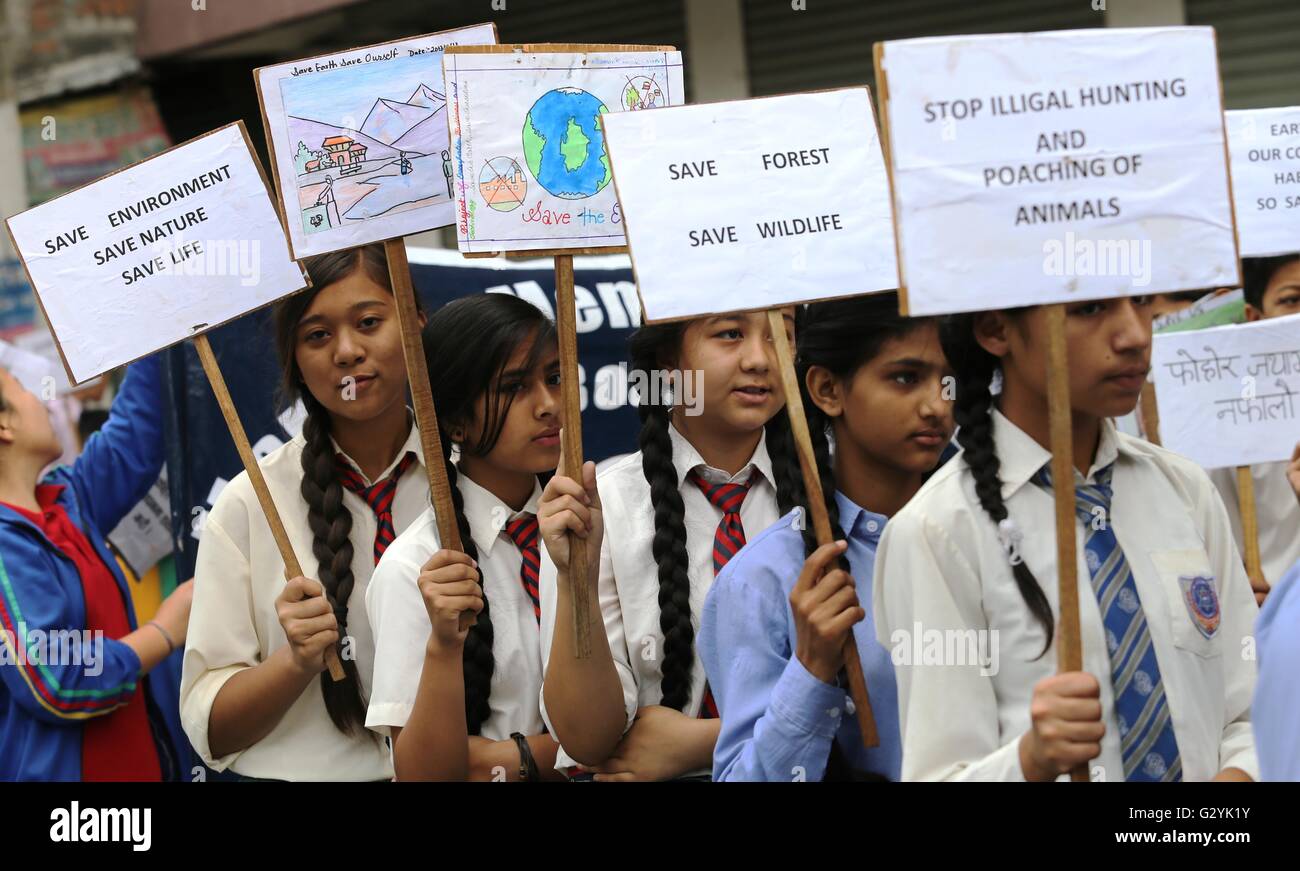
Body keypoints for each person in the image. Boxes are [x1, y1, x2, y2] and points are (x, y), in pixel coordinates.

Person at [873, 296, 1259, 781]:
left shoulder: (1185, 490)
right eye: (1091, 308)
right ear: (997, 329)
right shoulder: (937, 531)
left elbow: (1254, 707)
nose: (1135, 335)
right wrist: (1030, 760)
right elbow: (939, 773)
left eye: (1140, 302)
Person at [181, 244, 427, 780]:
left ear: (416, 323)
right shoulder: (249, 505)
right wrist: (293, 663)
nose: (346, 351)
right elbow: (211, 731)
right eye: (317, 335)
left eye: (368, 322)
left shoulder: (470, 483)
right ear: (293, 358)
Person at [699, 293, 954, 781]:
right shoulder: (762, 580)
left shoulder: (995, 543)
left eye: (948, 381)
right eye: (905, 378)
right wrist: (813, 667)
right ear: (826, 389)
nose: (936, 406)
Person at [539, 310, 801, 780]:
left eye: (782, 334)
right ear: (666, 362)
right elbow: (586, 738)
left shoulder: (828, 500)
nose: (761, 358)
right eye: (730, 334)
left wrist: (705, 744)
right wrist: (573, 574)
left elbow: (871, 697)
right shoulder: (602, 505)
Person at [366, 294, 567, 781]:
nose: (548, 405)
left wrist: (501, 758)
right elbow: (426, 774)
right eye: (515, 387)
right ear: (455, 421)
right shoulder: (415, 568)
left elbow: (638, 719)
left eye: (555, 378)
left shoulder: (594, 526)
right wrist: (570, 755)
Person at [0, 355, 194, 780]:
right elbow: (53, 676)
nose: (44, 400)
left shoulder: (68, 501)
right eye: (24, 389)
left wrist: (157, 320)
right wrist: (162, 633)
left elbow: (137, 434)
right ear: (4, 426)